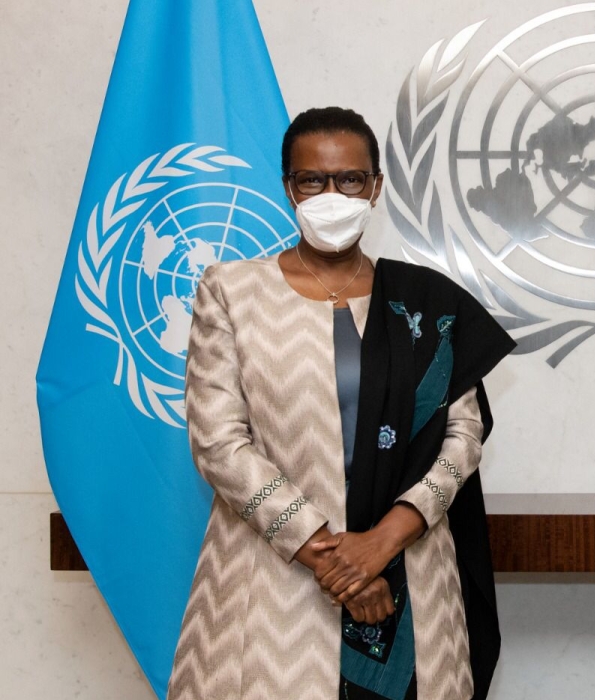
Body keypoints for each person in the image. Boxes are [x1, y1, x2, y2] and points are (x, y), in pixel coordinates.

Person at [167, 106, 515, 700]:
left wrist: (382, 542)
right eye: (313, 180)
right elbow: (219, 443)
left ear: (374, 187)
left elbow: (464, 434)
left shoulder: (426, 302)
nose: (333, 194)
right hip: (274, 591)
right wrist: (333, 560)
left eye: (350, 179)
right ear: (288, 189)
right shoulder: (231, 291)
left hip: (412, 575)